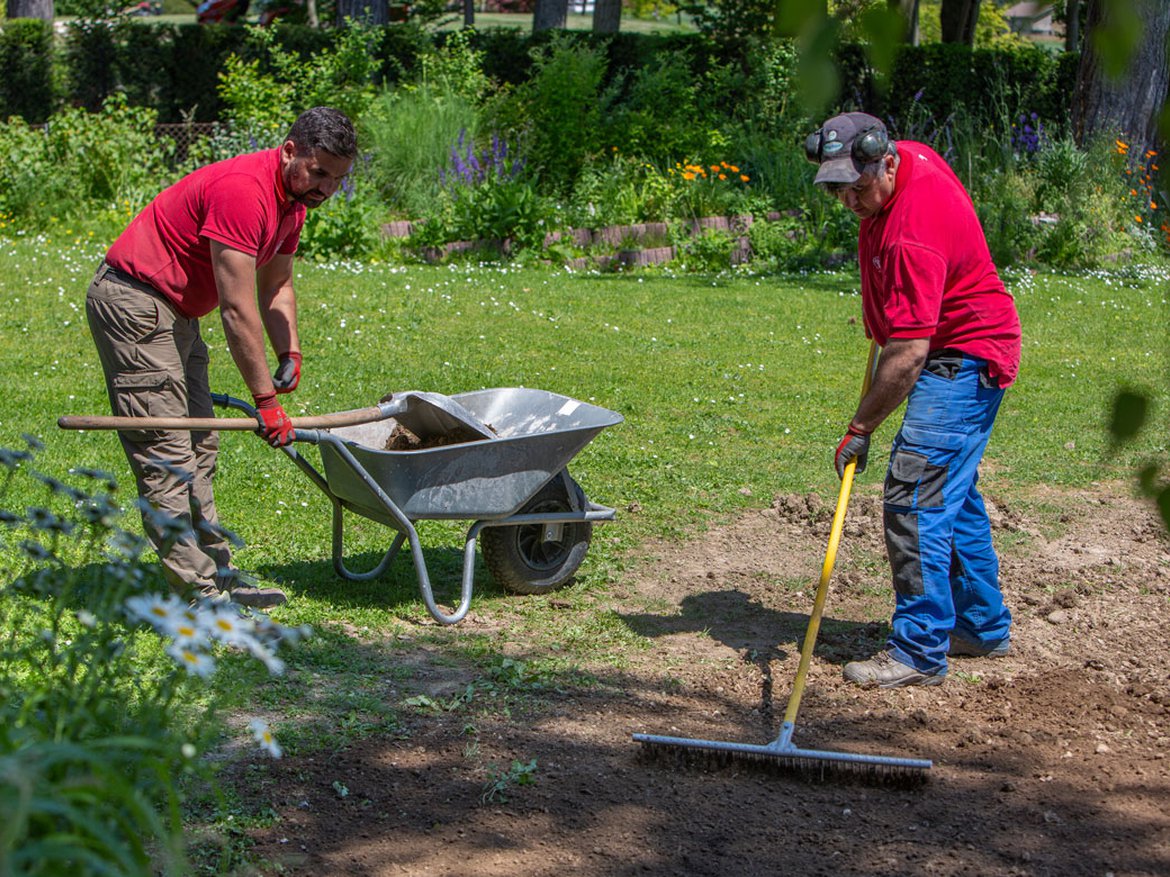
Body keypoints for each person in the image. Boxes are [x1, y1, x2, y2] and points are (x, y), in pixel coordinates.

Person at [85, 106, 357, 608]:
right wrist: (265, 400)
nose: (326, 189)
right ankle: (199, 595)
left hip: (177, 311)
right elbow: (236, 310)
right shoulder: (244, 192)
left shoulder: (293, 204)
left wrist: (288, 348)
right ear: (290, 150)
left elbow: (276, 285)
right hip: (134, 301)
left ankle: (217, 572)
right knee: (165, 450)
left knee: (201, 442)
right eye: (319, 173)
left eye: (337, 180)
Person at [805, 112, 1021, 688]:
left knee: (915, 494)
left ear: (887, 160)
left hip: (962, 356)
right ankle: (979, 626)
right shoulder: (910, 158)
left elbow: (907, 358)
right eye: (839, 190)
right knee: (952, 493)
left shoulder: (910, 236)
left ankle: (919, 650)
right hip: (955, 344)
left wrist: (860, 427)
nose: (851, 201)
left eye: (859, 187)